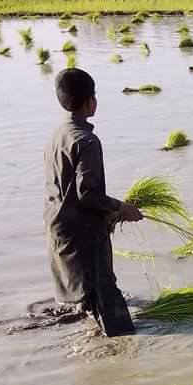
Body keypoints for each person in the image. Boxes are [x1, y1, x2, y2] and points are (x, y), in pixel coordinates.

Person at [43, 67, 143, 338]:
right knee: (108, 303)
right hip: (82, 230)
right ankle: (116, 346)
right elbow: (88, 193)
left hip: (58, 224)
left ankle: (92, 340)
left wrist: (109, 213)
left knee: (85, 293)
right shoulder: (87, 140)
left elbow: (67, 189)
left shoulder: (57, 134)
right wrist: (122, 208)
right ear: (91, 101)